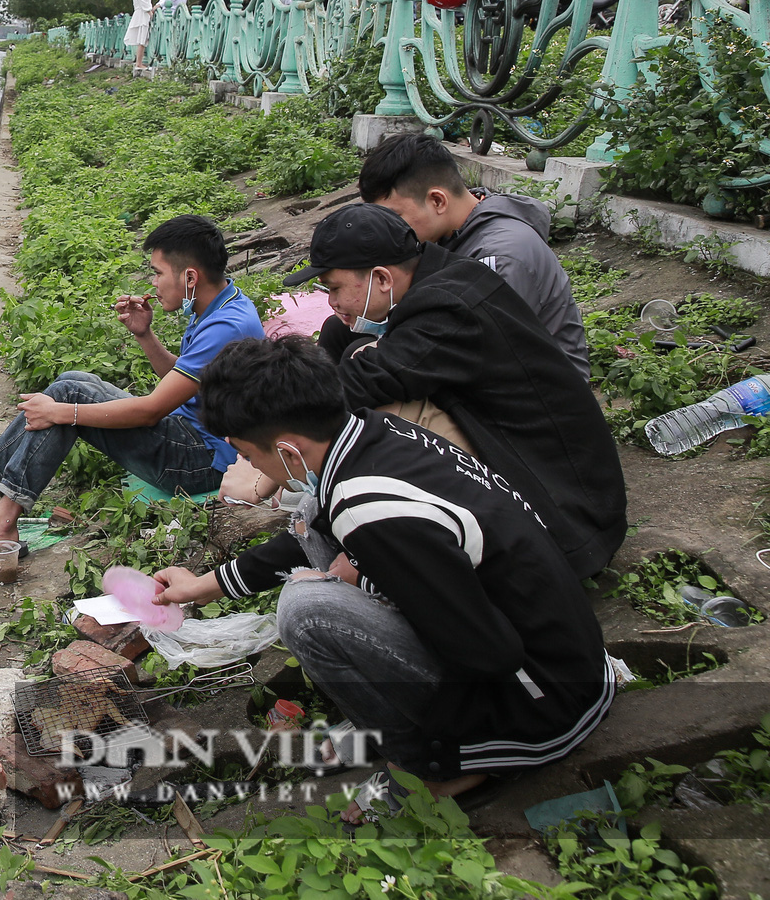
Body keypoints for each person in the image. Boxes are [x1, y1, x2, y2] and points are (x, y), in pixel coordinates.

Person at [150, 336, 613, 803]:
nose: (246, 466)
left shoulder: (368, 510)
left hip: (543, 703)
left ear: (289, 451)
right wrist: (205, 586)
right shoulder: (372, 434)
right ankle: (417, 734)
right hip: (565, 651)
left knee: (307, 609)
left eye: (249, 455)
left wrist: (349, 579)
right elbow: (308, 532)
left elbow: (487, 652)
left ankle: (431, 764)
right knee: (311, 523)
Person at [282, 204, 625, 579]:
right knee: (348, 347)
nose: (331, 302)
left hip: (565, 523)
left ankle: (372, 545)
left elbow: (357, 385)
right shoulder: (448, 278)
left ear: (382, 278)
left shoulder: (447, 309)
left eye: (334, 288)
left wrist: (273, 451)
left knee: (380, 418)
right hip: (562, 487)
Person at [0, 214, 265, 559]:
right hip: (193, 437)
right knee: (74, 382)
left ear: (190, 277)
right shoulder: (219, 303)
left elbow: (152, 410)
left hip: (203, 463)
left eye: (158, 272)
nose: (153, 283)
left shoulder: (226, 326)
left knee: (67, 399)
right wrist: (144, 334)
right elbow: (183, 381)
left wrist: (62, 412)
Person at [357, 133, 588, 377]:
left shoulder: (500, 256)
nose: (388, 229)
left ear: (437, 201)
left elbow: (475, 352)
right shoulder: (452, 232)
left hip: (538, 398)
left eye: (394, 217)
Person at [125, 0, 154, 67]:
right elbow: (144, 3)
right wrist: (150, 11)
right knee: (142, 40)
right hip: (142, 15)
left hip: (139, 14)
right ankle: (139, 63)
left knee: (142, 41)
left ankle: (139, 62)